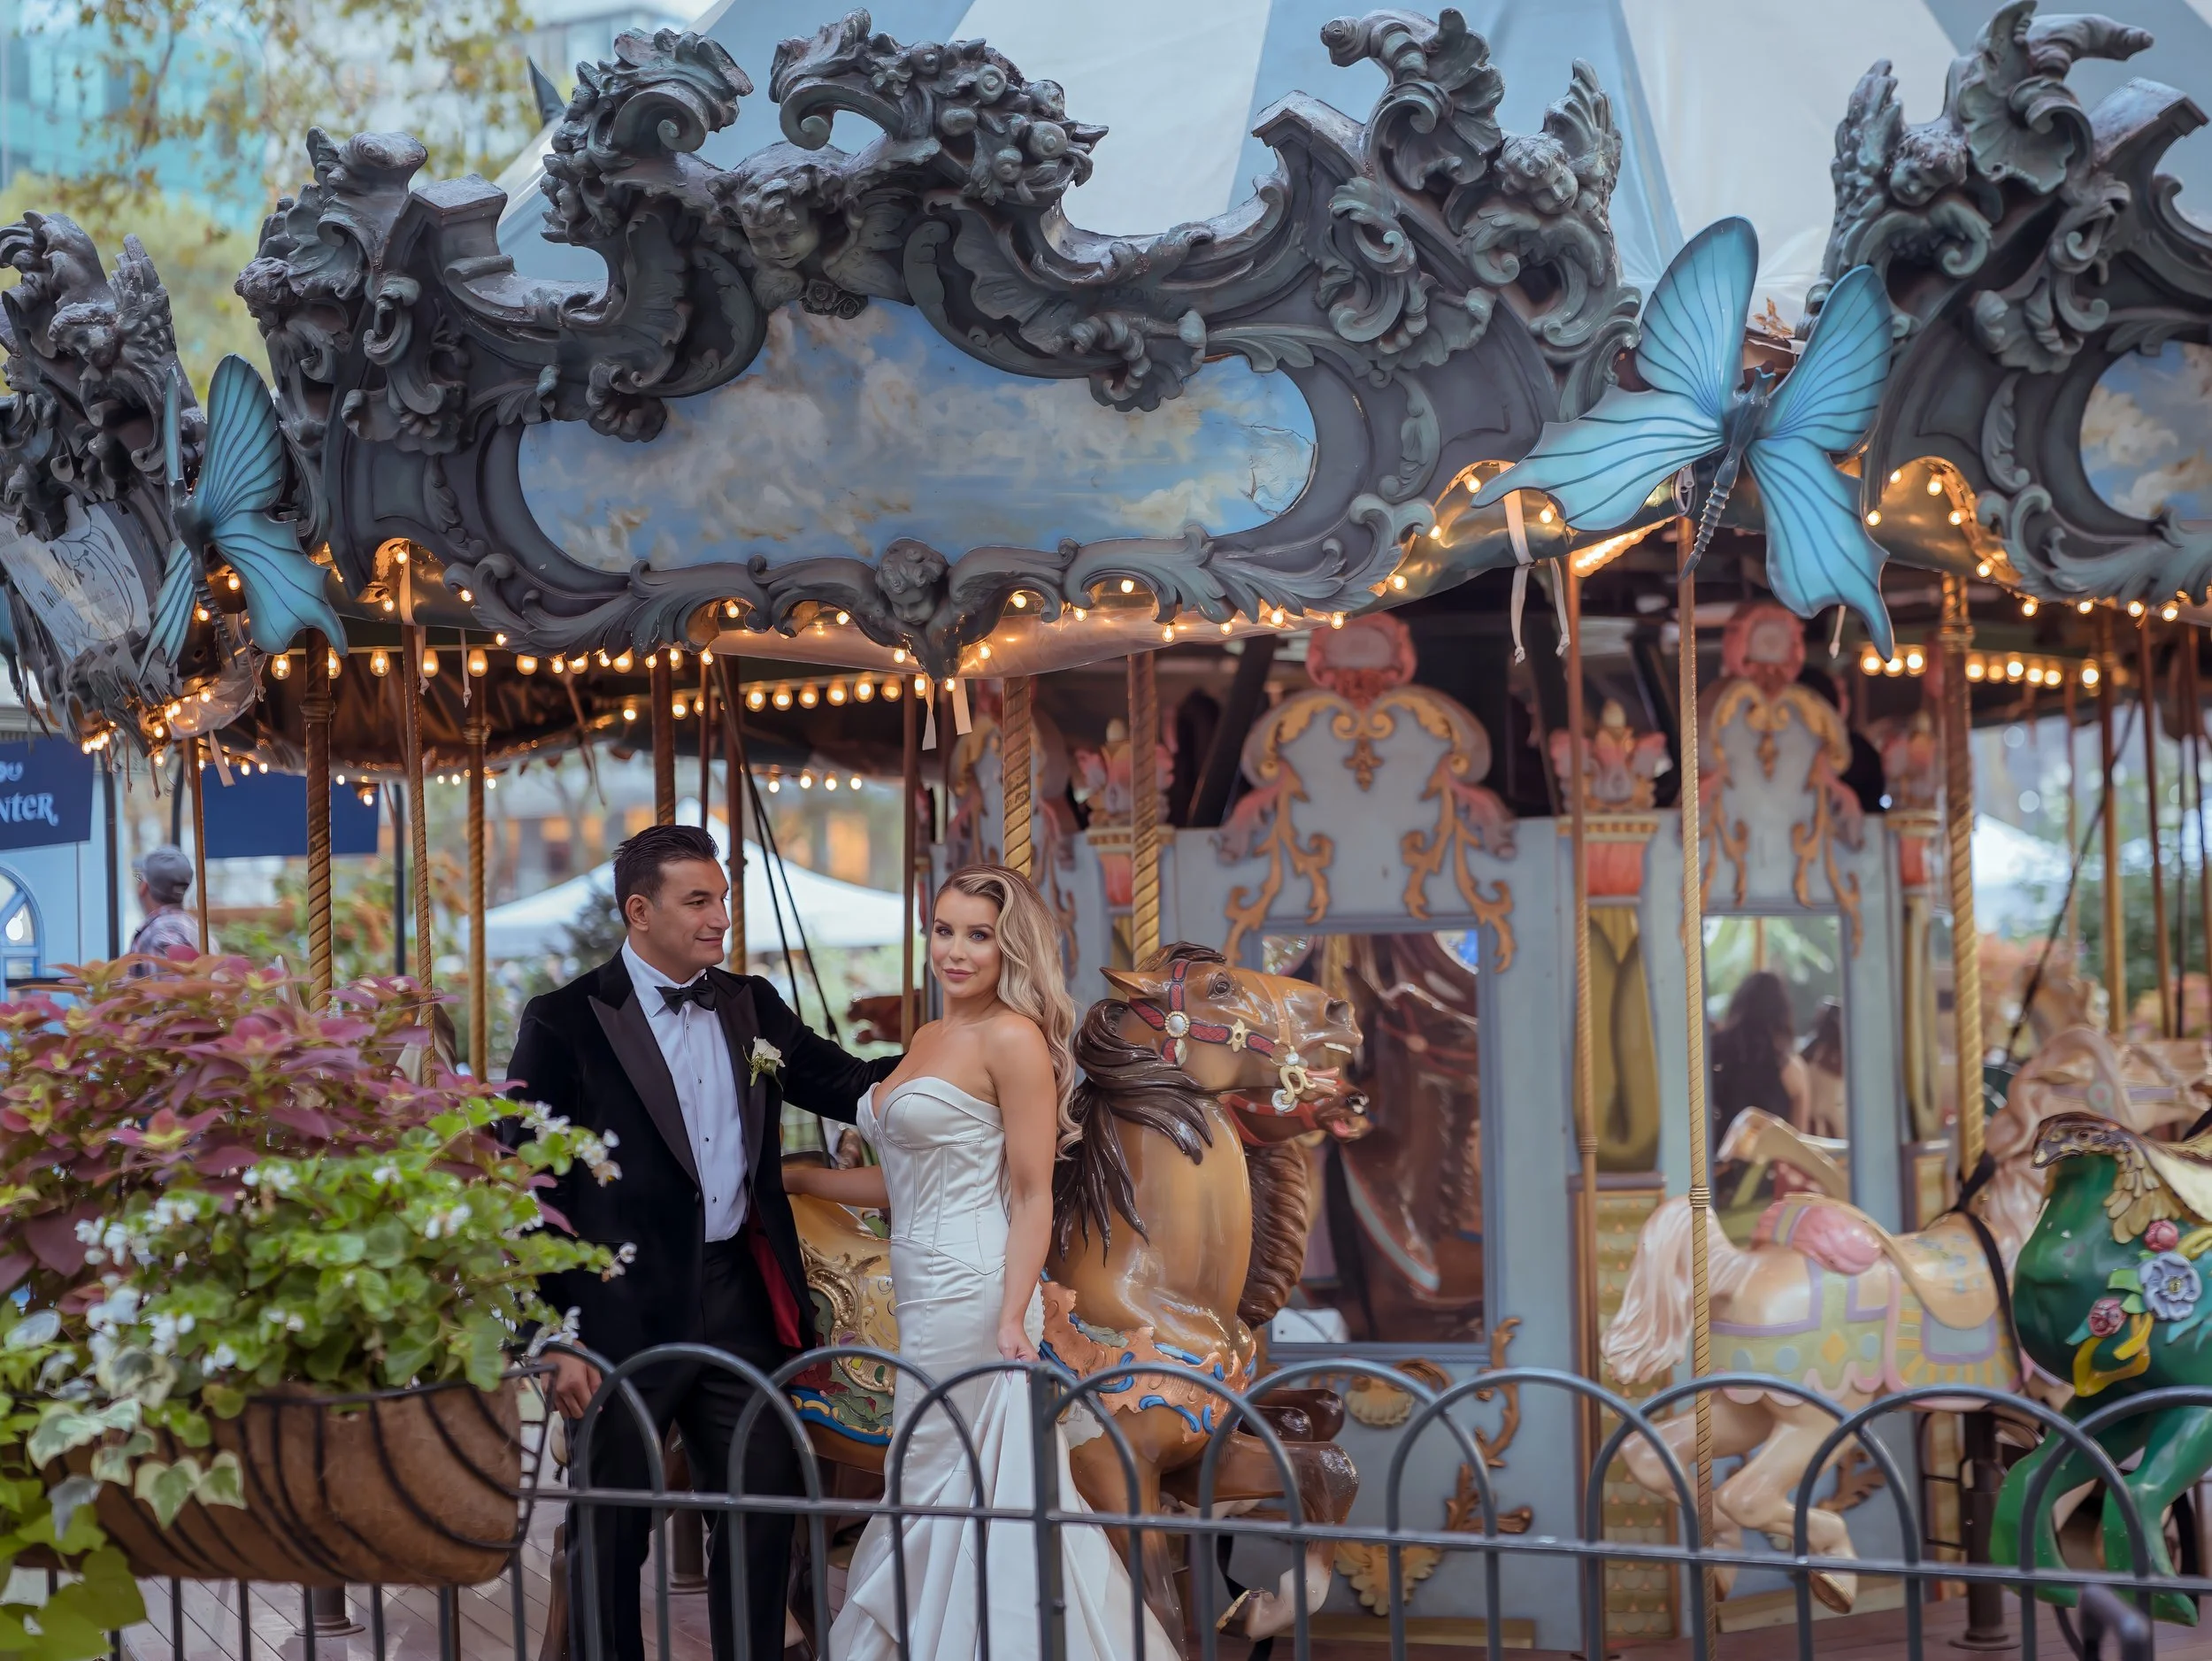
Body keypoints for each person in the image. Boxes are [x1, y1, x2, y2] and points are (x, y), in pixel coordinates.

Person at [506, 822, 897, 1661]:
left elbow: (850, 1083)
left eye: (723, 897)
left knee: (763, 1517)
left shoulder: (749, 1005)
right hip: (616, 1315)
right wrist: (557, 1332)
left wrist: (964, 1054)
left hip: (738, 1296)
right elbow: (525, 1182)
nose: (721, 915)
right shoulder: (564, 1019)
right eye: (700, 900)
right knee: (612, 1527)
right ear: (639, 910)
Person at [785, 864, 1176, 1661]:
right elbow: (899, 1181)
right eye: (943, 929)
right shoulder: (930, 1036)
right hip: (921, 1288)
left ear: (1011, 947)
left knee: (960, 1476)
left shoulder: (1013, 1037)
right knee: (927, 1476)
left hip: (975, 1288)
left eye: (978, 935)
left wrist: (1011, 1310)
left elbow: (1033, 1194)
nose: (954, 950)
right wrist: (792, 1176)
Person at [1708, 970, 1809, 1147]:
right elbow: (1798, 1141)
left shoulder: (1712, 1051)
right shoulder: (1792, 1068)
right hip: (1766, 1168)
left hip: (1714, 1164)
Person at [127, 844, 200, 970]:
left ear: (144, 887)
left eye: (138, 878)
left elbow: (170, 987)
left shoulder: (162, 933)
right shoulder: (192, 925)